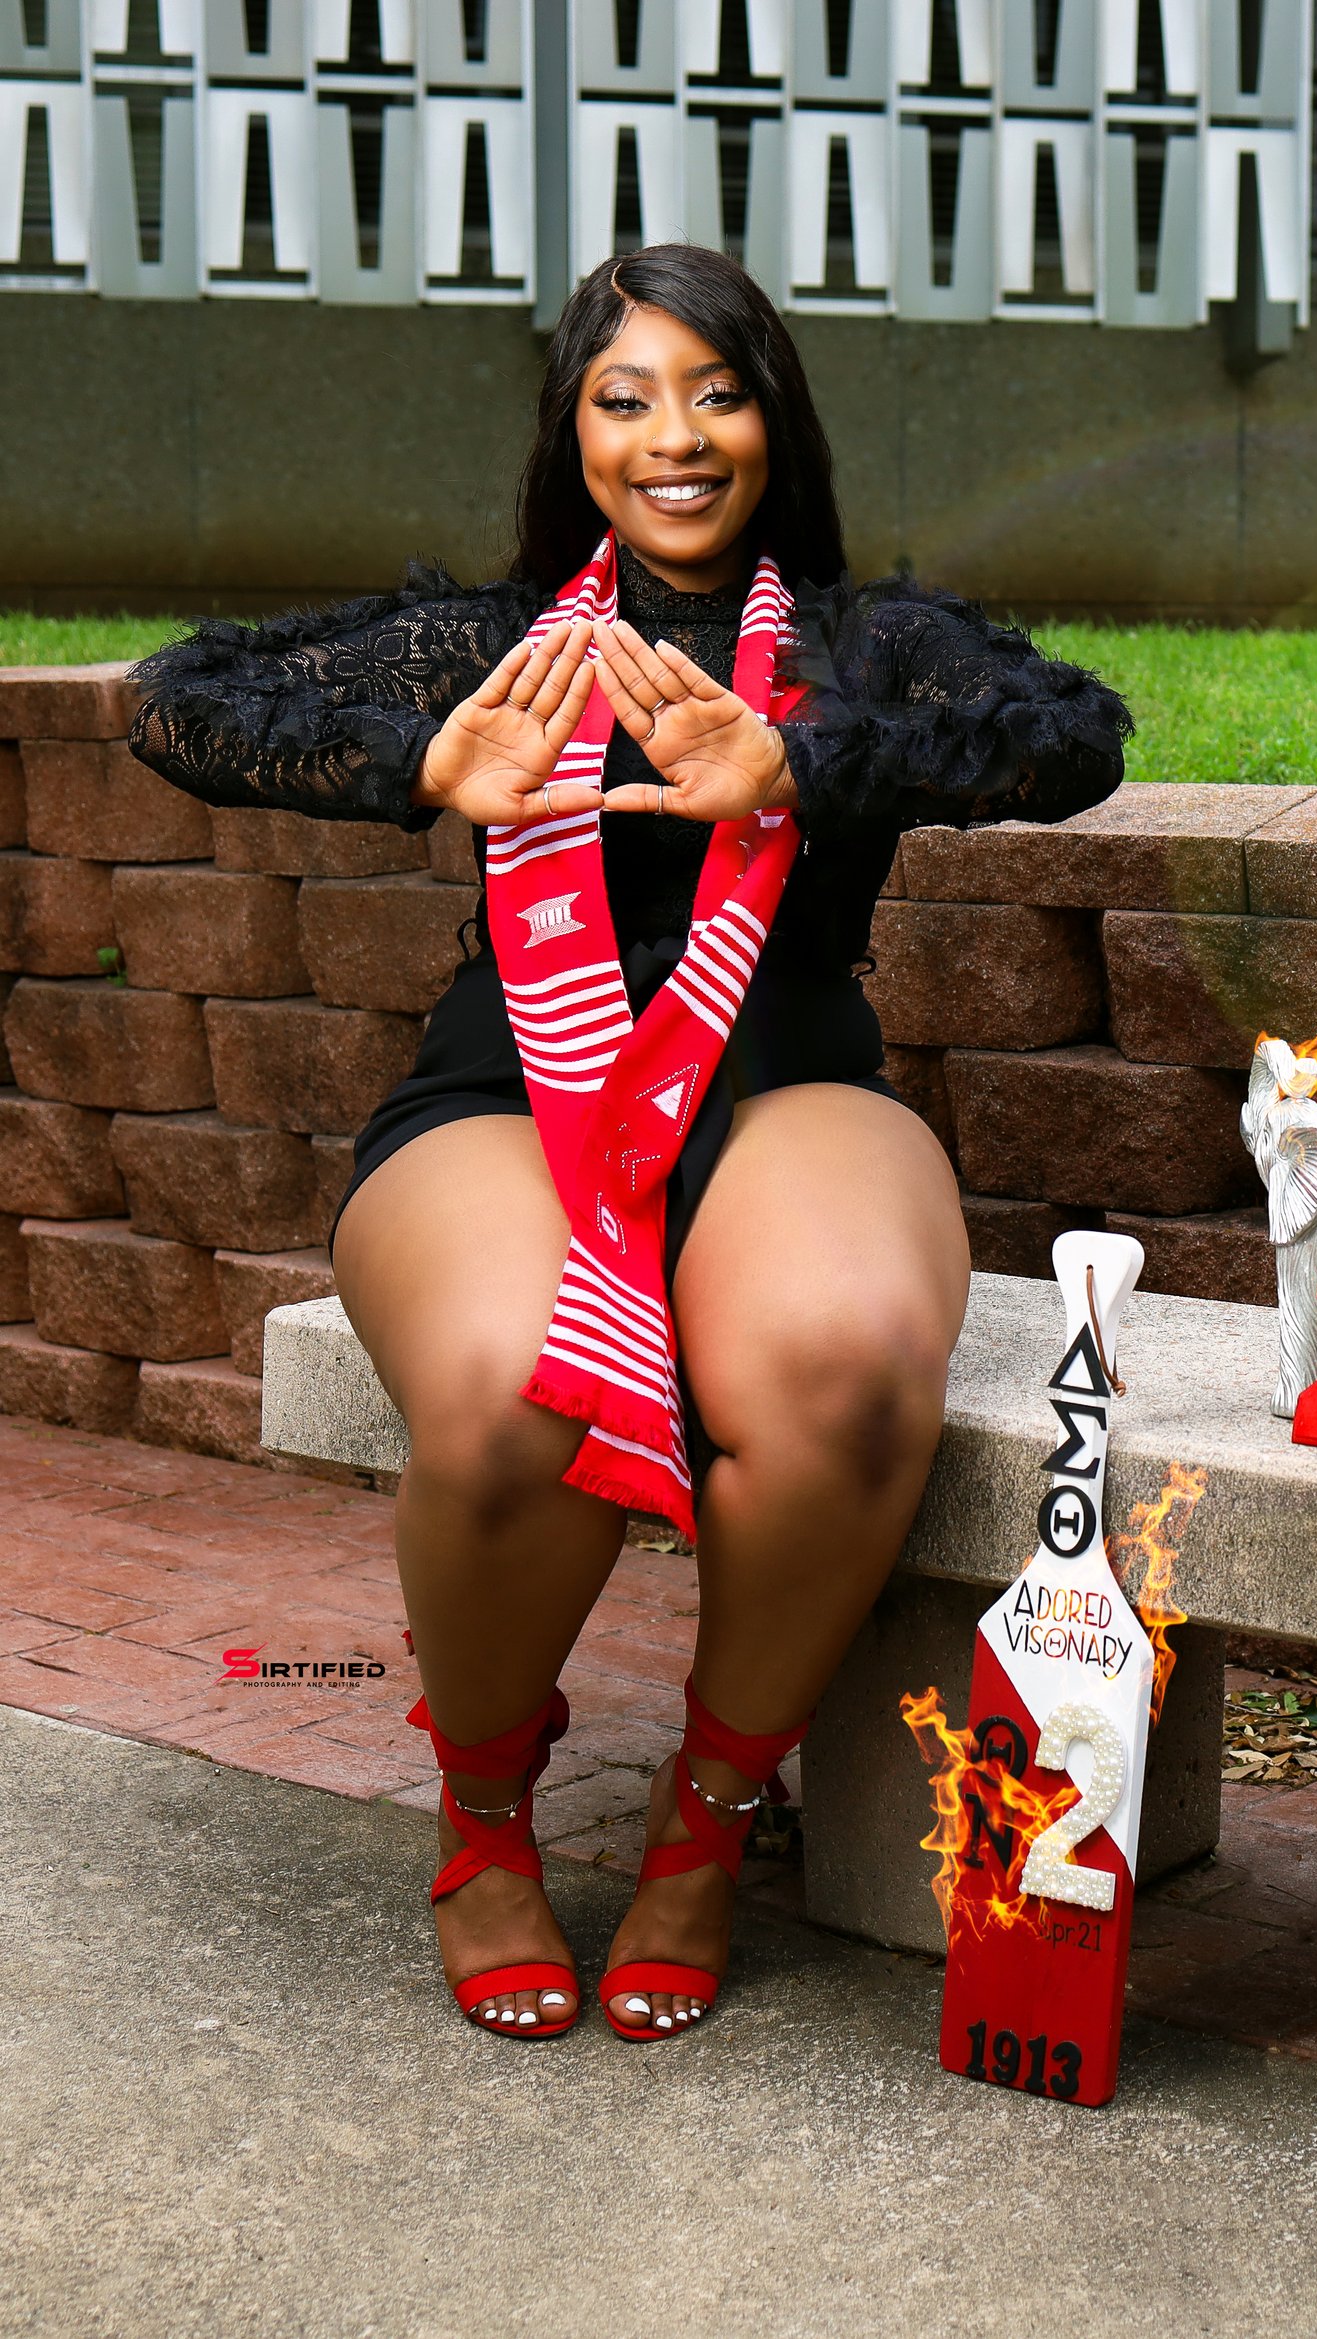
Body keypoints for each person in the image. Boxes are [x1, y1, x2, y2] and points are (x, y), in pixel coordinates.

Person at [127, 244, 1129, 2044]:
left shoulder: (861, 644)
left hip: (787, 1088)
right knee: (511, 1393)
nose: (676, 437)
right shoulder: (510, 644)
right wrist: (425, 764)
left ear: (772, 420)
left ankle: (707, 1819)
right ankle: (485, 1819)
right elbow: (177, 696)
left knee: (844, 1374)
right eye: (627, 398)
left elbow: (1073, 736)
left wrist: (801, 764)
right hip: (508, 1093)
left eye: (717, 393)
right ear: (574, 432)